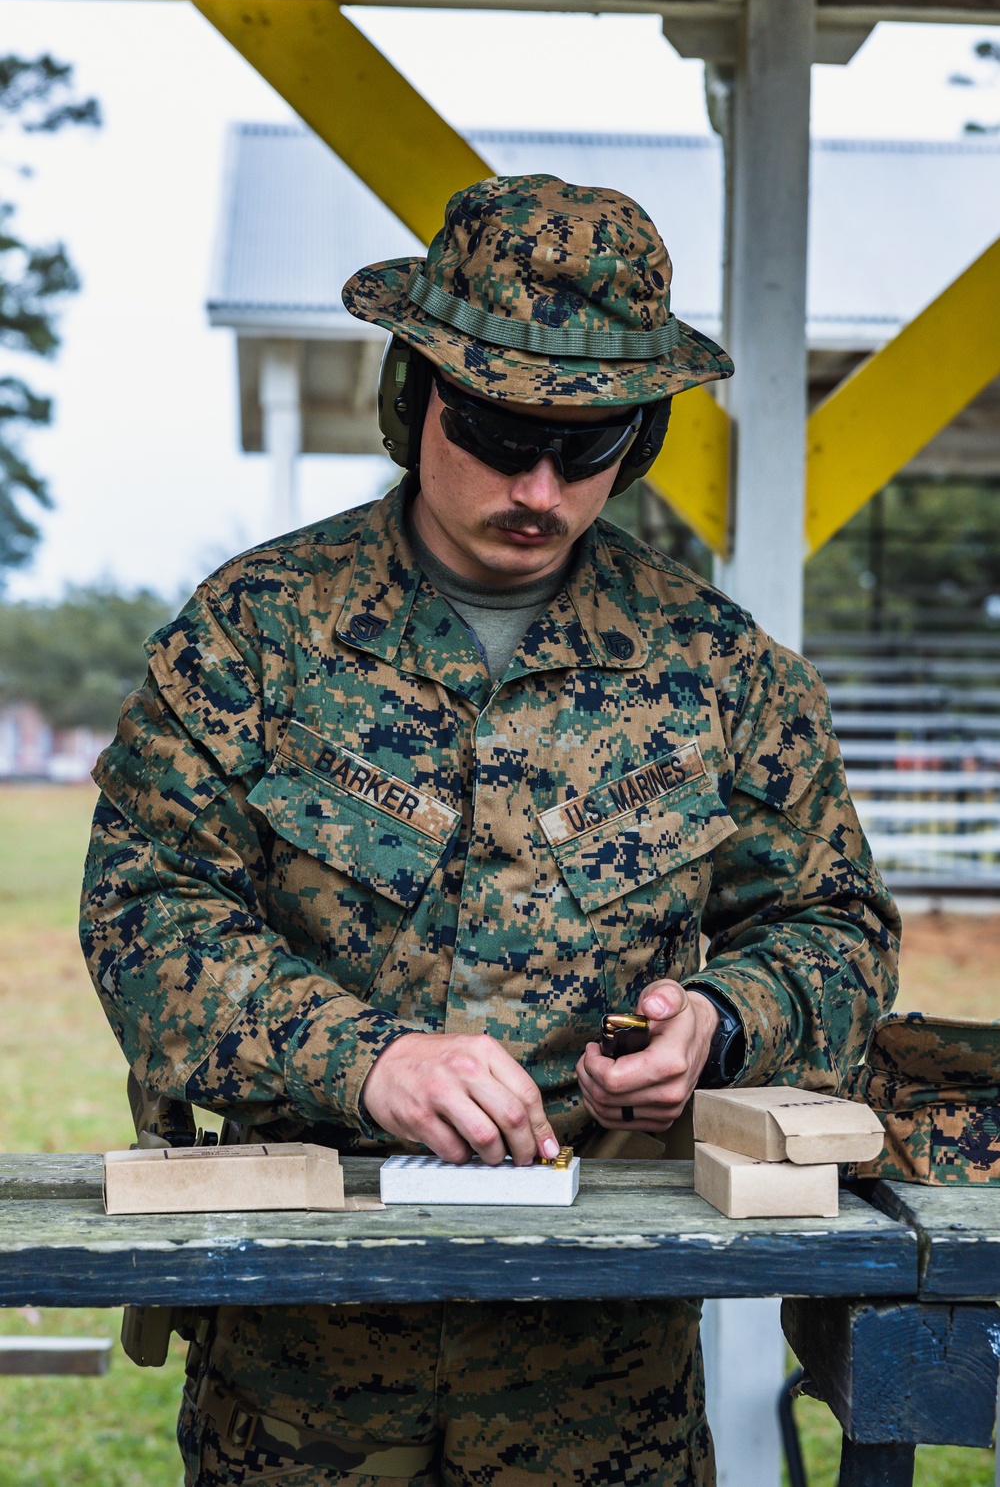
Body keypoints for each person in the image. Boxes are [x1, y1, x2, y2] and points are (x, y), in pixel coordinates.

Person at [80, 173, 900, 1486]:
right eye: (503, 430)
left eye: (588, 446)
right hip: (300, 1370)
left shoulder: (719, 671)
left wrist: (721, 1021)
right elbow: (145, 916)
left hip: (598, 1384)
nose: (540, 484)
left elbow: (837, 933)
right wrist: (366, 1059)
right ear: (413, 401)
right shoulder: (253, 634)